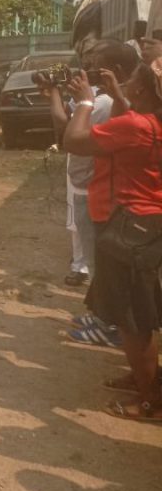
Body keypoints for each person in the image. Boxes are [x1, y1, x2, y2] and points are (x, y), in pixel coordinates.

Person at [63, 63, 162, 421]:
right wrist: (118, 95)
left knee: (134, 320)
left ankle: (151, 400)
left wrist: (86, 103)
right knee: (134, 313)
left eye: (134, 78)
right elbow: (130, 122)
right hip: (146, 224)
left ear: (145, 91)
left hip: (130, 227)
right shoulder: (149, 123)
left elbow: (73, 141)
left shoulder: (136, 127)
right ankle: (143, 380)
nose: (126, 81)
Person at [42, 41, 140, 294]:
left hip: (95, 185)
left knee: (101, 255)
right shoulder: (112, 100)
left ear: (115, 71)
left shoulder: (104, 103)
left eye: (96, 68)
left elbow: (68, 137)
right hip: (100, 185)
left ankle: (106, 319)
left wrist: (84, 103)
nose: (89, 73)